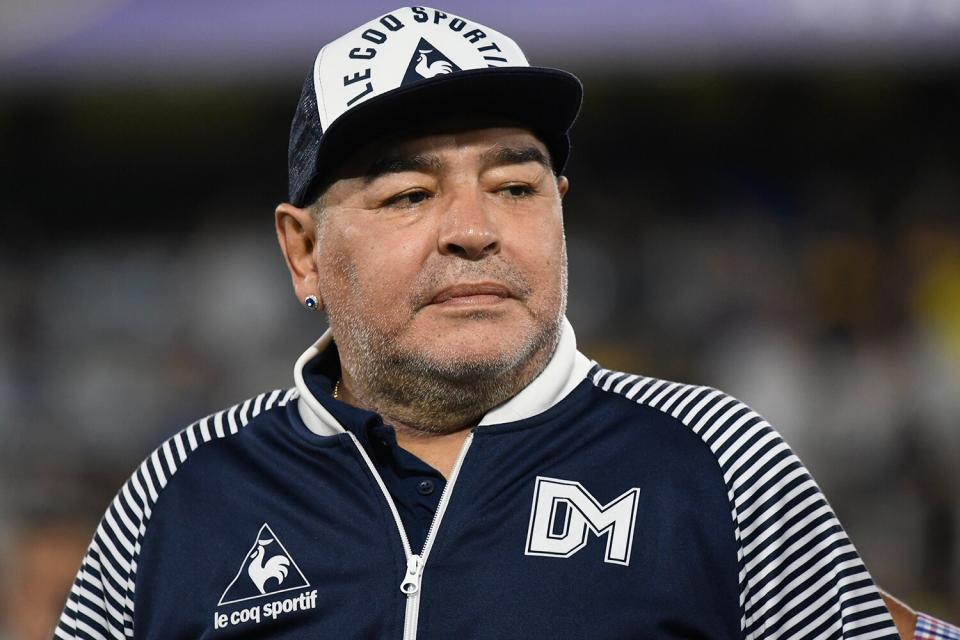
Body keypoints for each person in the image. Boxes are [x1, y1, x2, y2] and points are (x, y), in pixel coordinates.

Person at [55, 7, 957, 639]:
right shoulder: (179, 495)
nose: (474, 230)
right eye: (409, 194)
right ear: (303, 252)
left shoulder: (723, 466)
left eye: (516, 187)